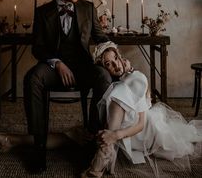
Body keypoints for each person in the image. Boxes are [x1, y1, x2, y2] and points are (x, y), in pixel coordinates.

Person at [23, 0, 112, 173]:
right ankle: (39, 146)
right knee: (32, 78)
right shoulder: (43, 12)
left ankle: (92, 137)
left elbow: (101, 38)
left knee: (103, 76)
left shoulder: (88, 8)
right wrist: (57, 62)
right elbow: (37, 48)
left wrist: (110, 53)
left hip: (82, 68)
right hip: (53, 68)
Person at [82, 41, 202, 178]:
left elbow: (140, 125)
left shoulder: (137, 78)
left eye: (115, 59)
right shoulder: (115, 85)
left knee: (127, 86)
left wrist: (115, 135)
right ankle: (104, 153)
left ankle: (103, 156)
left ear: (120, 57)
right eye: (108, 64)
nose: (115, 65)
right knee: (118, 90)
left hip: (146, 132)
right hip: (128, 131)